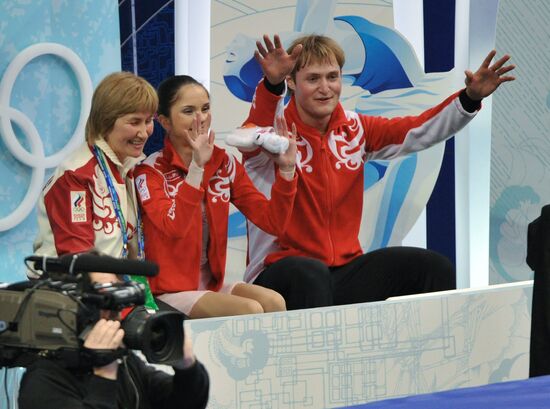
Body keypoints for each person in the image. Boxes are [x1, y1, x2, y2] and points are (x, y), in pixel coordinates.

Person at [239, 34, 516, 309]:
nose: (325, 88)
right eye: (313, 79)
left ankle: (429, 352)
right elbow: (251, 134)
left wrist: (468, 99)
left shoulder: (356, 129)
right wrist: (271, 86)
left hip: (341, 271)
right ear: (291, 81)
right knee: (311, 274)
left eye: (332, 77)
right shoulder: (274, 134)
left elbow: (419, 130)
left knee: (432, 268)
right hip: (279, 276)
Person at [134, 75, 298, 318]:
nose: (200, 118)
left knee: (274, 301)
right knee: (249, 310)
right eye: (188, 111)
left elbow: (273, 223)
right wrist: (196, 168)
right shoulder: (150, 171)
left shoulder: (224, 163)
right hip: (168, 290)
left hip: (210, 286)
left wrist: (286, 171)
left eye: (205, 109)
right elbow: (174, 228)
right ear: (164, 121)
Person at [32, 71, 158, 309]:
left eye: (148, 120)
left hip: (112, 293)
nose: (144, 132)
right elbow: (78, 256)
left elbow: (128, 248)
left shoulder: (129, 168)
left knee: (177, 337)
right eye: (134, 122)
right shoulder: (75, 175)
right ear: (106, 120)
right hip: (70, 299)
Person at [18, 272, 210, 409]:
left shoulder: (124, 362)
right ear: (72, 309)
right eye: (106, 300)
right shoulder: (43, 380)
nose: (117, 313)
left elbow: (184, 403)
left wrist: (187, 367)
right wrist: (103, 376)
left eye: (120, 300)